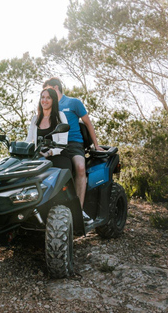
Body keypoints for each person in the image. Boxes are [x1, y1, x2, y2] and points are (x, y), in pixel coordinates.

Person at [43, 77, 104, 224]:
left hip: (73, 143)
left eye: (48, 90)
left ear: (56, 88)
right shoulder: (49, 105)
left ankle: (79, 210)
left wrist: (96, 145)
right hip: (55, 144)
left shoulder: (73, 103)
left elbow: (88, 123)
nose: (45, 96)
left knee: (80, 167)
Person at [25, 87, 71, 171]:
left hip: (57, 155)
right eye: (42, 97)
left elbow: (63, 142)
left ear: (53, 100)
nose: (44, 100)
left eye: (48, 98)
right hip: (39, 157)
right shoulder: (35, 119)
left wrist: (49, 152)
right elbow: (29, 140)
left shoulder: (60, 116)